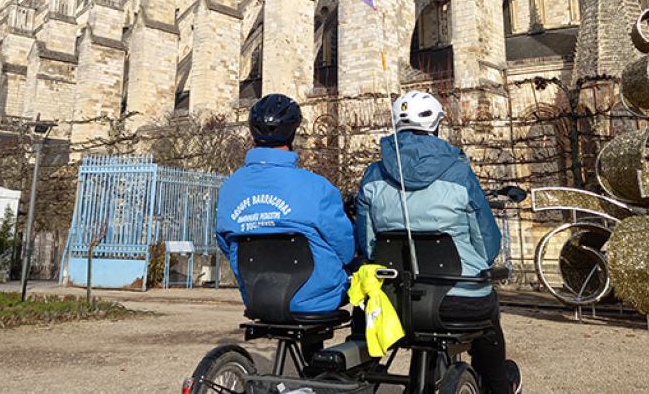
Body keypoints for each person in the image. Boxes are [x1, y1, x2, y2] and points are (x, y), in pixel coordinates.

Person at [354, 90, 519, 394]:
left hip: (394, 301)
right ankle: (499, 387)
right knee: (487, 313)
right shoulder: (459, 173)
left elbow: (367, 244)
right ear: (436, 126)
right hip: (455, 301)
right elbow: (487, 246)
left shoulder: (373, 175)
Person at [216, 93, 355, 317]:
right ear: (292, 133)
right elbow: (345, 248)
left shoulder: (230, 188)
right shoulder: (317, 187)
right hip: (314, 298)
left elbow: (226, 243)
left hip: (257, 293)